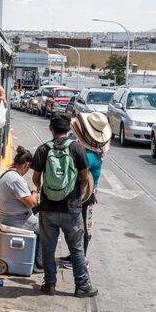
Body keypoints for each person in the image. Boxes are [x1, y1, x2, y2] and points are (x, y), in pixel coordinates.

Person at [32, 115, 98, 298]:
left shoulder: (43, 149)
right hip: (72, 208)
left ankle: (49, 284)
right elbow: (85, 178)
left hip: (48, 209)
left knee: (48, 248)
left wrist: (43, 190)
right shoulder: (77, 148)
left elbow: (36, 179)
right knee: (76, 248)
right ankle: (82, 286)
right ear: (69, 129)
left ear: (50, 129)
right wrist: (78, 193)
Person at [61, 112, 111, 268]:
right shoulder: (93, 152)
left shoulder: (88, 155)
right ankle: (75, 257)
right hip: (87, 193)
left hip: (83, 194)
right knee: (80, 226)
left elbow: (76, 173)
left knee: (80, 227)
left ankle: (80, 260)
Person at [0, 146, 42, 269]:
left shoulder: (8, 173)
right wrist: (36, 194)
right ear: (26, 165)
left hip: (11, 214)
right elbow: (31, 203)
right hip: (18, 220)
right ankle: (39, 264)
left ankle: (36, 256)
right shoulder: (16, 179)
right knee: (48, 229)